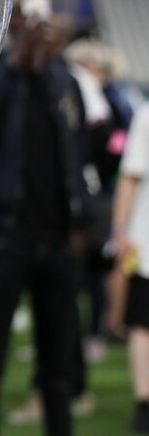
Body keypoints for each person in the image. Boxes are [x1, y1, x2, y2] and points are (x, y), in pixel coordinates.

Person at [0, 0, 88, 436]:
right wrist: (17, 61)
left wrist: (81, 218)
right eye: (27, 19)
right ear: (12, 23)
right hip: (6, 237)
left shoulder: (63, 79)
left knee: (58, 370)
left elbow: (76, 153)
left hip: (55, 241)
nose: (37, 28)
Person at [113, 104, 149, 433]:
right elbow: (130, 177)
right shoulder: (146, 116)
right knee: (141, 323)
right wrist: (121, 230)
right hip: (146, 239)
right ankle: (144, 400)